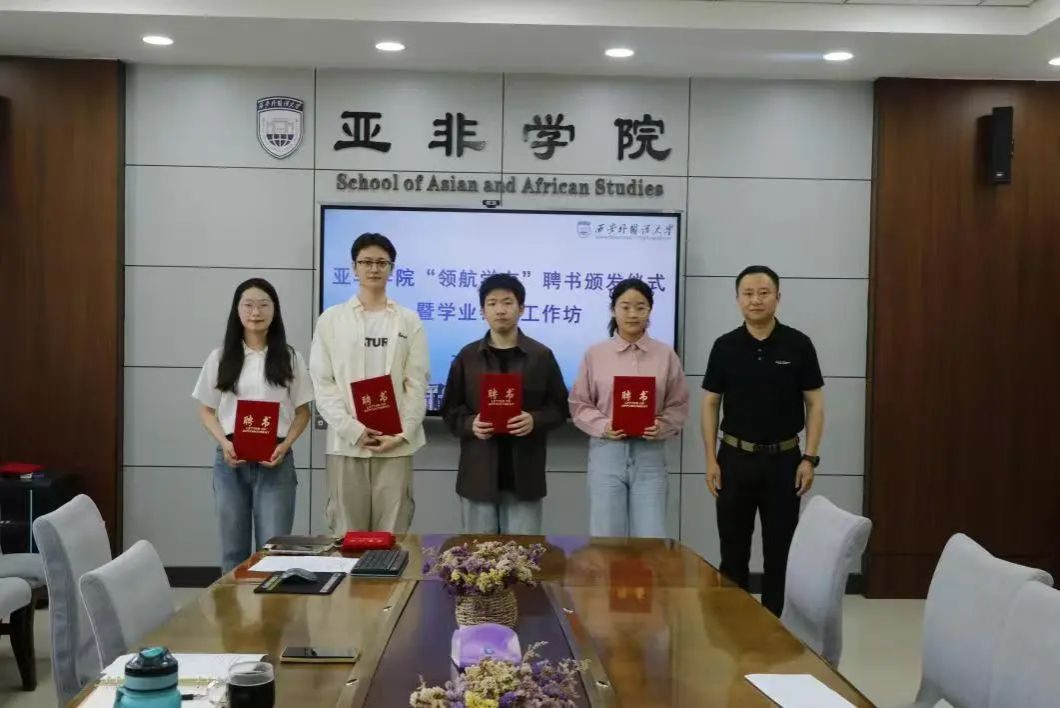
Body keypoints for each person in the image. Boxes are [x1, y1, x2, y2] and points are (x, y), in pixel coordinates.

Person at [701, 265, 825, 617]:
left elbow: (815, 404)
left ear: (777, 298)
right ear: (738, 299)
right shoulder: (724, 346)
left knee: (780, 550)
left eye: (763, 293)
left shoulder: (798, 344)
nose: (755, 300)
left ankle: (776, 629)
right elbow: (710, 404)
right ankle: (734, 627)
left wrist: (809, 458)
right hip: (734, 459)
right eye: (748, 293)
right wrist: (711, 460)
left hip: (784, 461)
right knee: (733, 550)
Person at [309, 232, 429, 534]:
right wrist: (353, 429)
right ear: (354, 268)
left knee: (393, 535)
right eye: (366, 262)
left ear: (391, 268)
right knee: (347, 534)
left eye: (381, 262)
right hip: (346, 444)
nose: (374, 268)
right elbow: (322, 382)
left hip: (396, 446)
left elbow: (417, 383)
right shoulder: (331, 319)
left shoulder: (408, 320)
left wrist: (402, 433)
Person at [192, 278, 313, 574]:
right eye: (248, 305)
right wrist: (224, 443)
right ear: (237, 310)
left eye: (263, 305)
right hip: (231, 461)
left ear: (275, 311)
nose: (255, 312)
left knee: (274, 551)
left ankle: (270, 606)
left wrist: (285, 446)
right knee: (233, 550)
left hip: (276, 460)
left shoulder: (290, 357)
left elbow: (303, 412)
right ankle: (232, 606)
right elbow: (206, 410)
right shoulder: (221, 357)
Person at [440, 273, 568, 534]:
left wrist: (535, 420)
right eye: (492, 303)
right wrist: (470, 423)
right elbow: (450, 410)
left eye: (508, 302)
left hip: (524, 475)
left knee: (523, 554)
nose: (500, 310)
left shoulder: (541, 356)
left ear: (521, 308)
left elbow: (559, 408)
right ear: (482, 311)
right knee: (478, 554)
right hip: (478, 474)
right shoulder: (467, 357)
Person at [569, 278, 689, 538]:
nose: (633, 314)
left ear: (650, 310)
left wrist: (663, 425)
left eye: (640, 307)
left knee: (651, 537)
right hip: (607, 453)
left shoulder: (666, 354)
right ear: (613, 310)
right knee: (606, 538)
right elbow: (579, 403)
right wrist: (604, 425)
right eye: (625, 307)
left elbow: (678, 403)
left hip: (650, 456)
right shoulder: (595, 354)